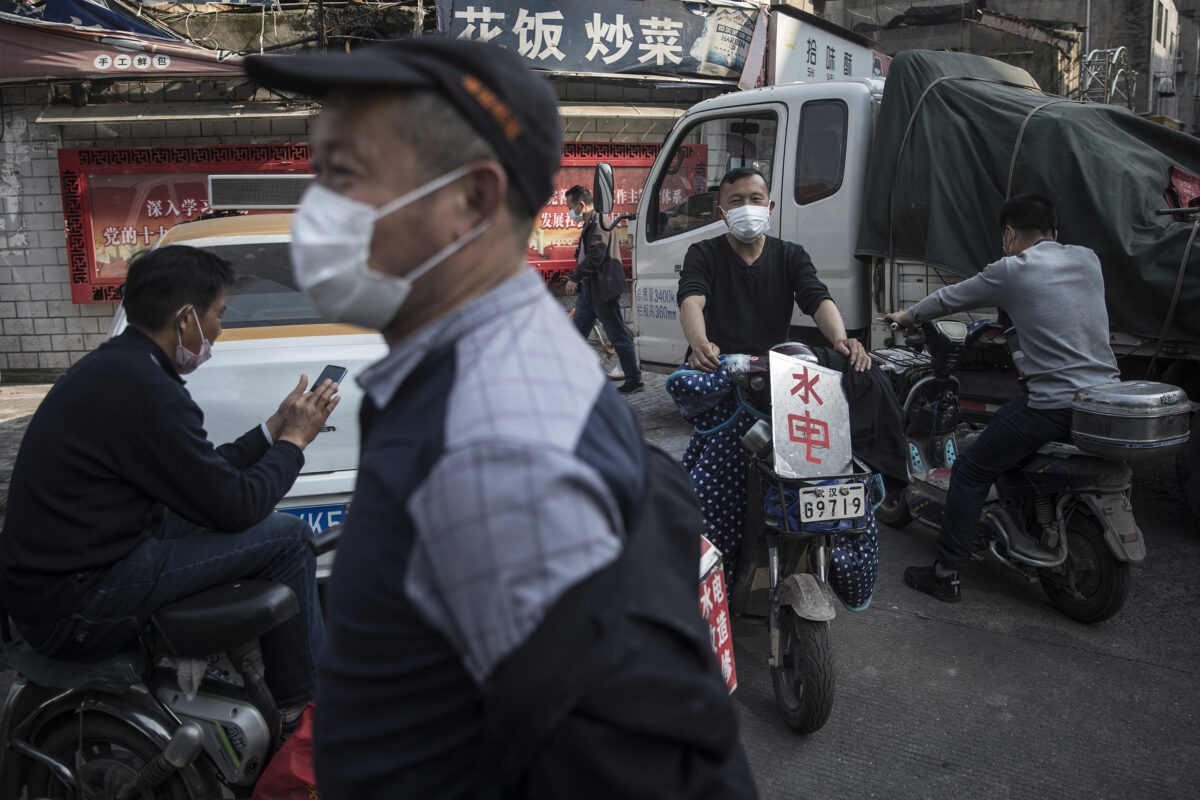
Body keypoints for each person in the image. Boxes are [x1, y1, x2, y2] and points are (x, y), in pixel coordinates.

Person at [246, 38, 755, 800]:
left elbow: (647, 772)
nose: (317, 211)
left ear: (475, 201)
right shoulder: (471, 375)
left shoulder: (495, 448)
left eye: (347, 177)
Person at [0, 245, 338, 724]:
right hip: (77, 607)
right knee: (288, 537)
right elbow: (239, 507)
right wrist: (295, 442)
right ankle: (302, 715)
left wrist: (271, 430)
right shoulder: (149, 392)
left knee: (238, 522)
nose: (218, 331)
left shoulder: (118, 368)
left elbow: (205, 475)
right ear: (185, 319)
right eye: (218, 316)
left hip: (65, 580)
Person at [885, 193, 1120, 603]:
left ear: (1009, 234)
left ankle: (946, 573)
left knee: (972, 470)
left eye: (1004, 237)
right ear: (1055, 233)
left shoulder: (1012, 269)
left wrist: (908, 316)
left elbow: (951, 297)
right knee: (1005, 450)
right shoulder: (1088, 259)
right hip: (1102, 403)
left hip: (1051, 405)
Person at [677, 166, 909, 486]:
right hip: (723, 372)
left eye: (755, 199)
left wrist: (841, 340)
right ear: (722, 212)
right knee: (719, 479)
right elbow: (692, 299)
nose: (747, 207)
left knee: (862, 378)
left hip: (775, 374)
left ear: (769, 207)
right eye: (736, 201)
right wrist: (700, 343)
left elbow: (816, 298)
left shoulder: (790, 255)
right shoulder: (703, 253)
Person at [563, 185, 643, 393]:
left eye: (570, 207)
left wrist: (575, 277)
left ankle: (634, 380)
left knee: (617, 336)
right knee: (575, 337)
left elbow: (596, 256)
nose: (570, 213)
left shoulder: (599, 223)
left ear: (581, 205)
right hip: (589, 290)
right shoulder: (591, 222)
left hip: (602, 289)